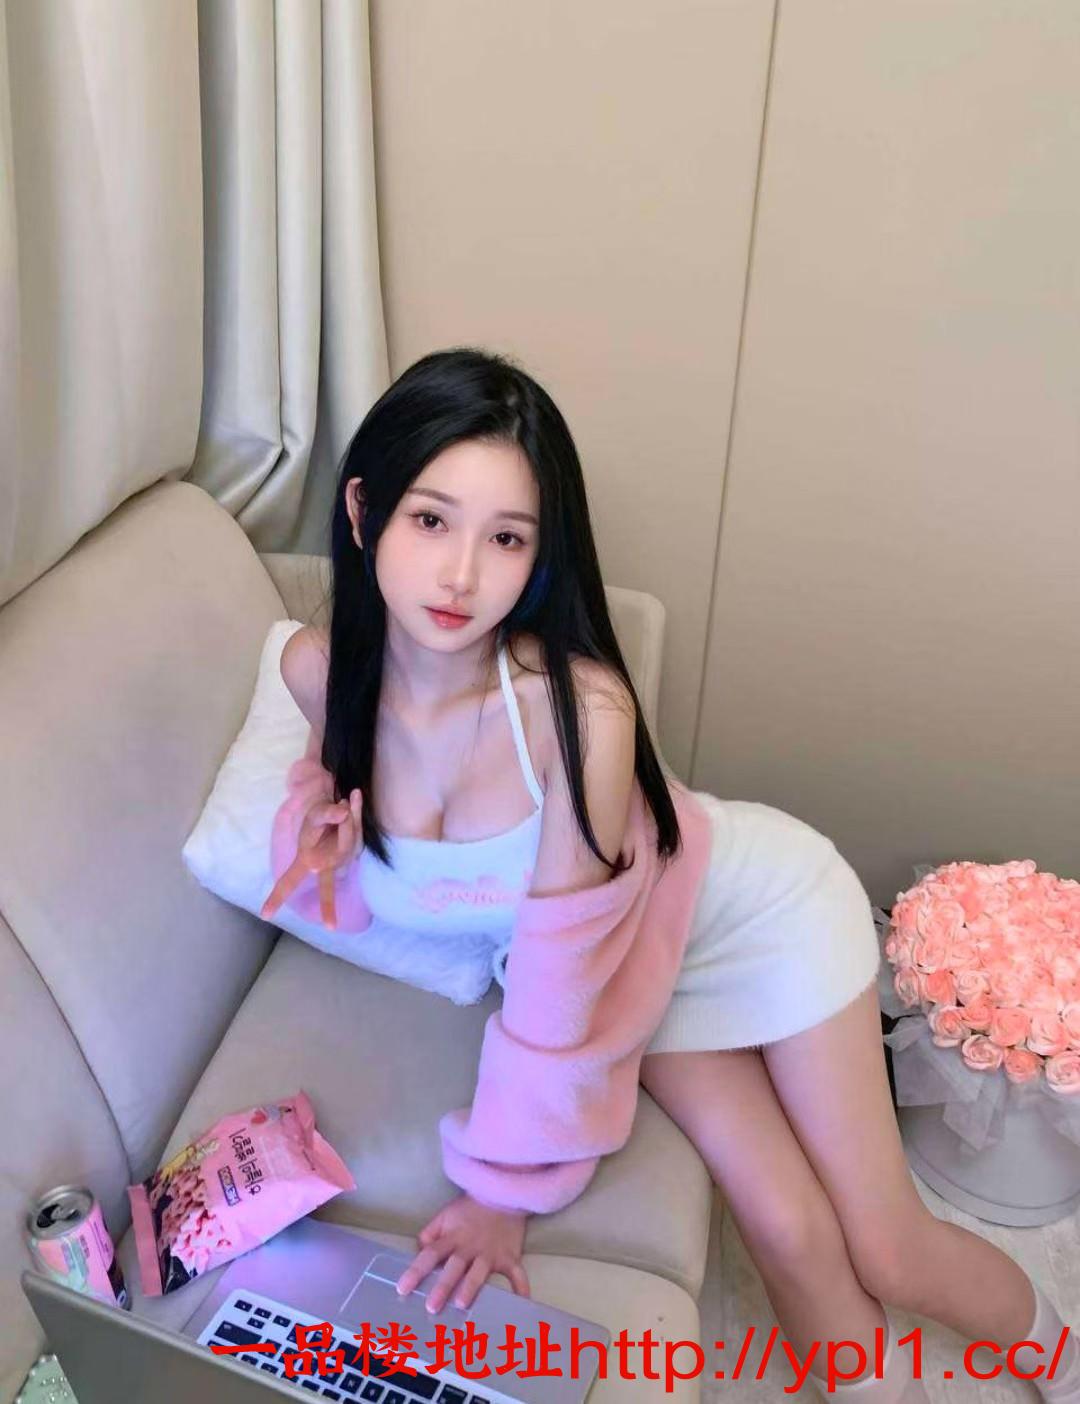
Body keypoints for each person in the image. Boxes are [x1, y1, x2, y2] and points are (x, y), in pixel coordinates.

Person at [260, 347, 1077, 1403]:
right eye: (430, 519)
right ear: (363, 509)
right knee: (786, 1228)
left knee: (887, 1245)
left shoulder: (577, 712)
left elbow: (557, 984)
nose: (460, 575)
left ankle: (1060, 1356)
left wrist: (504, 1190)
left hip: (751, 915)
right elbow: (338, 811)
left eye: (506, 537)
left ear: (540, 554)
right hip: (645, 968)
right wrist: (322, 833)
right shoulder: (320, 671)